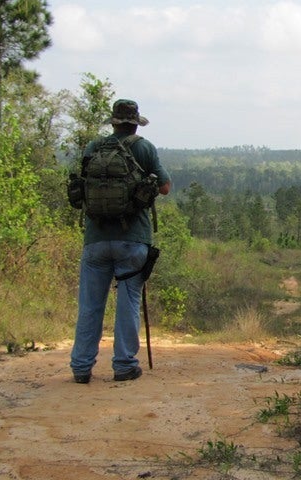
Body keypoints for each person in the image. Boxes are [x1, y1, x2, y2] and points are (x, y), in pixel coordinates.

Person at [70, 99, 171, 384]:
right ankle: (124, 364)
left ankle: (80, 367)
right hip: (132, 241)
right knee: (128, 301)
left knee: (90, 305)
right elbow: (165, 187)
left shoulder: (93, 148)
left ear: (113, 122)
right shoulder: (143, 147)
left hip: (96, 239)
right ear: (135, 122)